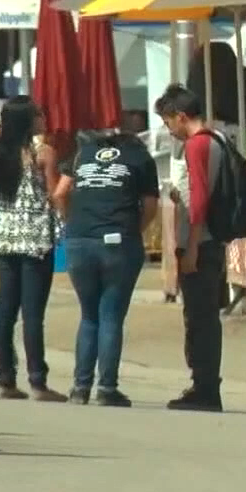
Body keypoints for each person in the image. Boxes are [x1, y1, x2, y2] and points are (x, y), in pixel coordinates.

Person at [53, 128, 160, 407]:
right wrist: (133, 230)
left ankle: (79, 387)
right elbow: (150, 206)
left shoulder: (81, 155)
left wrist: (72, 224)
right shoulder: (140, 158)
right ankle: (107, 388)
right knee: (110, 315)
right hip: (118, 242)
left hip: (78, 241)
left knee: (89, 316)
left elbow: (60, 193)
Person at [0, 97, 66, 402]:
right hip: (34, 237)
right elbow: (53, 192)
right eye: (39, 114)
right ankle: (38, 380)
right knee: (33, 314)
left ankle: (6, 378)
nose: (43, 118)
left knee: (6, 310)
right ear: (28, 120)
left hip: (6, 235)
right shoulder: (43, 153)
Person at [154, 84, 227, 412]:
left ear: (181, 117)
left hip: (201, 242)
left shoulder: (197, 146)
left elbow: (198, 200)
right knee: (205, 315)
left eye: (168, 122)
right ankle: (206, 383)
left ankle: (205, 386)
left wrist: (191, 247)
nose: (168, 129)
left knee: (199, 317)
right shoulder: (218, 141)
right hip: (212, 240)